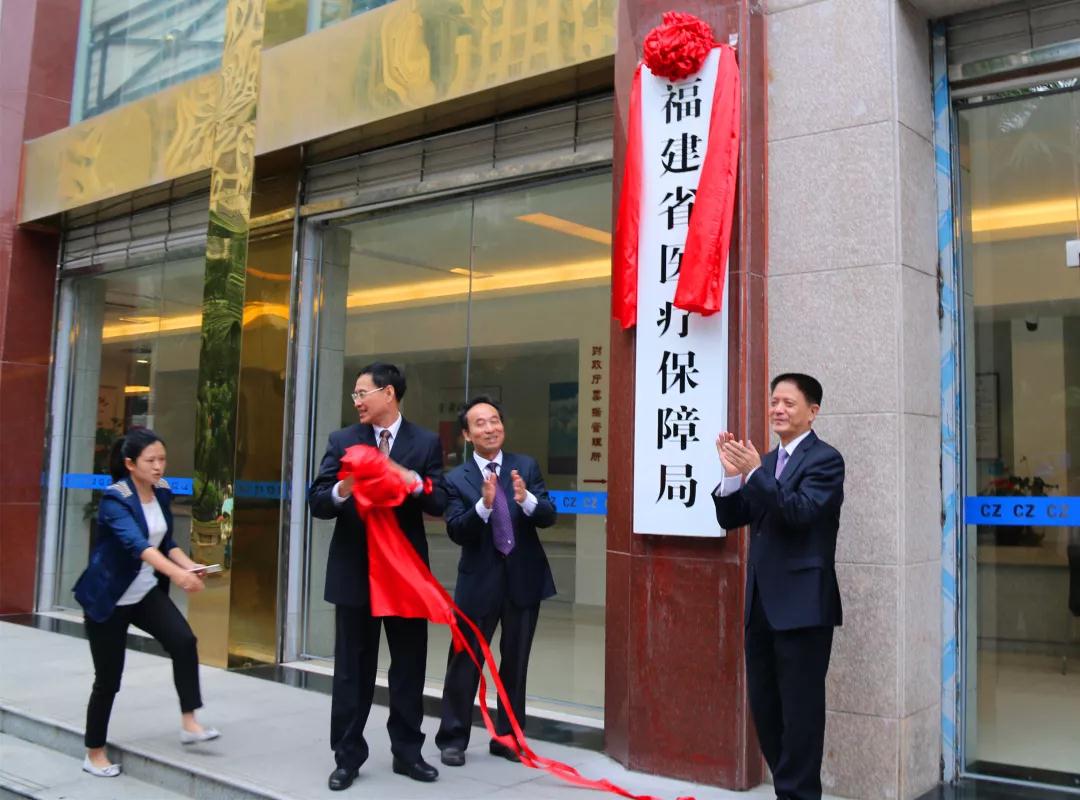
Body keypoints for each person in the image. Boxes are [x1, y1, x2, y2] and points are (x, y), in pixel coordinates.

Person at [308, 362, 447, 791]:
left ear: (388, 393)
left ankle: (407, 752)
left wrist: (412, 481)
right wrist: (345, 486)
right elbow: (318, 501)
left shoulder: (425, 441)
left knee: (408, 666)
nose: (356, 401)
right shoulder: (343, 440)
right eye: (354, 395)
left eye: (362, 392)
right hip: (355, 571)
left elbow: (440, 501)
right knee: (353, 669)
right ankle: (347, 756)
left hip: (404, 573)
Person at [712, 373, 845, 800]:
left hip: (803, 609)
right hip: (761, 608)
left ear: (812, 411)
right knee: (766, 709)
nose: (778, 410)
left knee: (801, 713)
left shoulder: (826, 460)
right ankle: (788, 790)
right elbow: (732, 517)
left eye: (788, 403)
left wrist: (754, 474)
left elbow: (799, 512)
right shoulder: (766, 463)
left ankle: (797, 795)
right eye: (774, 402)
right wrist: (732, 477)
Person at [73, 428, 218, 778]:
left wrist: (189, 566)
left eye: (162, 459)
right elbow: (139, 545)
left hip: (143, 592)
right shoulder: (115, 499)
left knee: (183, 641)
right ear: (130, 464)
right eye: (150, 460)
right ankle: (94, 752)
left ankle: (189, 722)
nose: (158, 467)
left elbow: (166, 541)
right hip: (108, 599)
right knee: (108, 680)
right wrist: (178, 576)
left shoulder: (162, 491)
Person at [435, 395, 557, 767]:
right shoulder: (455, 479)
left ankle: (508, 737)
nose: (490, 428)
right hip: (478, 584)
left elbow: (548, 515)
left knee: (516, 663)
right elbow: (457, 530)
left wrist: (526, 500)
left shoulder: (525, 466)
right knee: (465, 661)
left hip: (523, 580)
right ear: (467, 435)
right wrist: (484, 506)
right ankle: (453, 738)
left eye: (495, 421)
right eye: (481, 423)